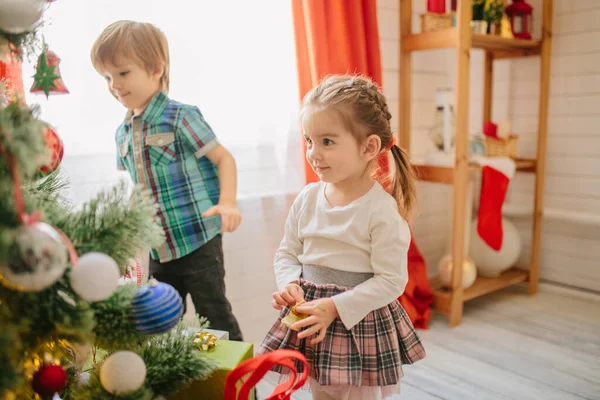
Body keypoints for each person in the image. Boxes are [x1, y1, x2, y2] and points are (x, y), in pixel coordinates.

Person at [259, 75, 426, 399]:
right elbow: (288, 253)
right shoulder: (308, 198)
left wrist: (336, 307)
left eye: (327, 142)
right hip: (312, 320)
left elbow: (391, 280)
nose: (313, 153)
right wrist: (289, 283)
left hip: (357, 325)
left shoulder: (380, 211)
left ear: (369, 147)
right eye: (309, 140)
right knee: (321, 394)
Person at [90, 21, 243, 341]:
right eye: (107, 77)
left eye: (123, 73)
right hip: (159, 249)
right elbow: (139, 188)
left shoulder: (181, 116)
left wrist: (227, 202)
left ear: (156, 69)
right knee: (161, 320)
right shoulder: (123, 132)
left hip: (198, 240)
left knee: (213, 315)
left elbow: (223, 159)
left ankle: (241, 387)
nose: (114, 85)